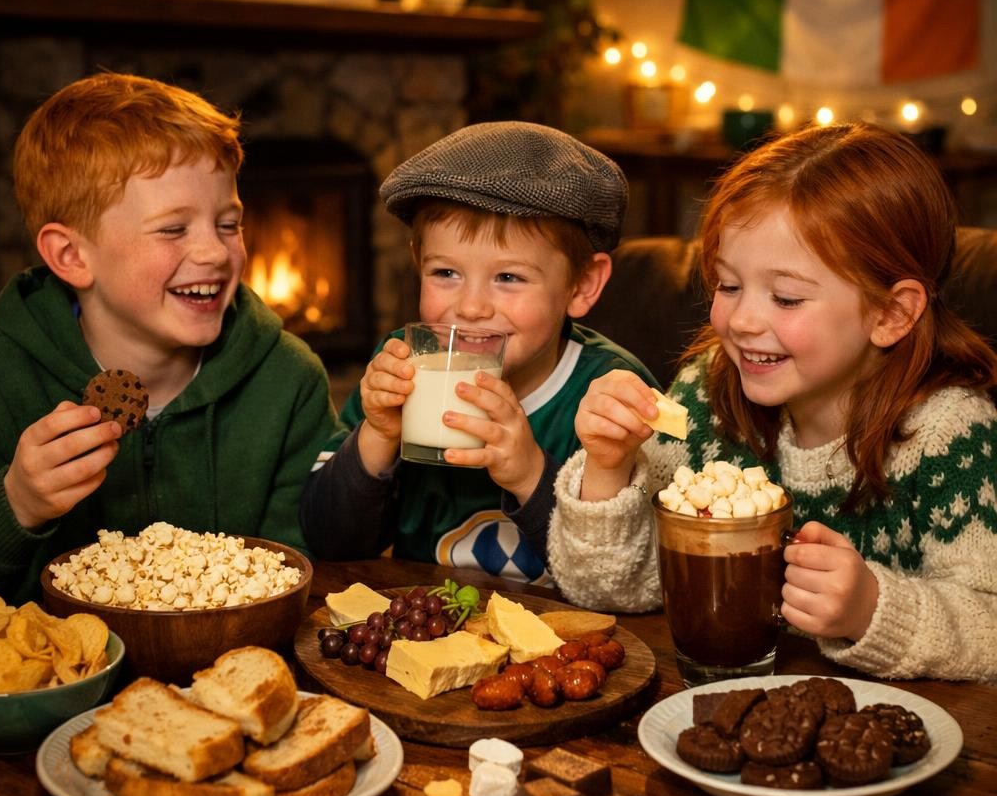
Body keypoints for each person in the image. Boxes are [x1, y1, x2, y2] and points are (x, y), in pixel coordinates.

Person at [548, 122, 997, 680]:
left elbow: (991, 626)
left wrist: (872, 608)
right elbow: (610, 586)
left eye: (785, 297)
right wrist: (608, 470)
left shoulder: (949, 432)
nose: (741, 321)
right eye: (727, 285)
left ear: (892, 314)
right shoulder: (708, 392)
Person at [0, 73, 342, 603]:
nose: (216, 253)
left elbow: (304, 574)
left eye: (228, 224)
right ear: (72, 256)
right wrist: (16, 505)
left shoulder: (288, 381)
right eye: (173, 229)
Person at [300, 121, 658, 582]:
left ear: (582, 285)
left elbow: (627, 577)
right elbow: (328, 541)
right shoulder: (401, 366)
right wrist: (378, 434)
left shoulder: (612, 399)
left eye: (508, 278)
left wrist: (531, 474)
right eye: (445, 272)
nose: (469, 308)